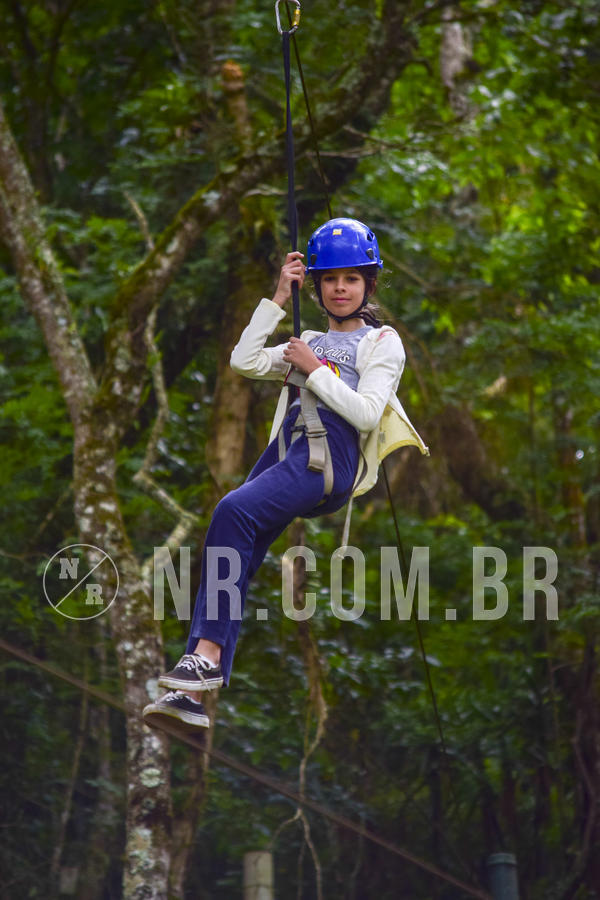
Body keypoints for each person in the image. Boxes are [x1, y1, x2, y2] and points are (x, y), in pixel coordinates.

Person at [143, 217, 428, 734]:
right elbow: (244, 360)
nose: (341, 288)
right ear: (316, 287)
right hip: (288, 450)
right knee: (236, 540)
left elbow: (366, 413)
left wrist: (313, 368)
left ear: (368, 284)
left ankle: (205, 659)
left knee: (232, 509)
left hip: (329, 459)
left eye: (352, 279)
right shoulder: (309, 336)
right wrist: (277, 298)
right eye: (331, 280)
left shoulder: (382, 342)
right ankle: (193, 686)